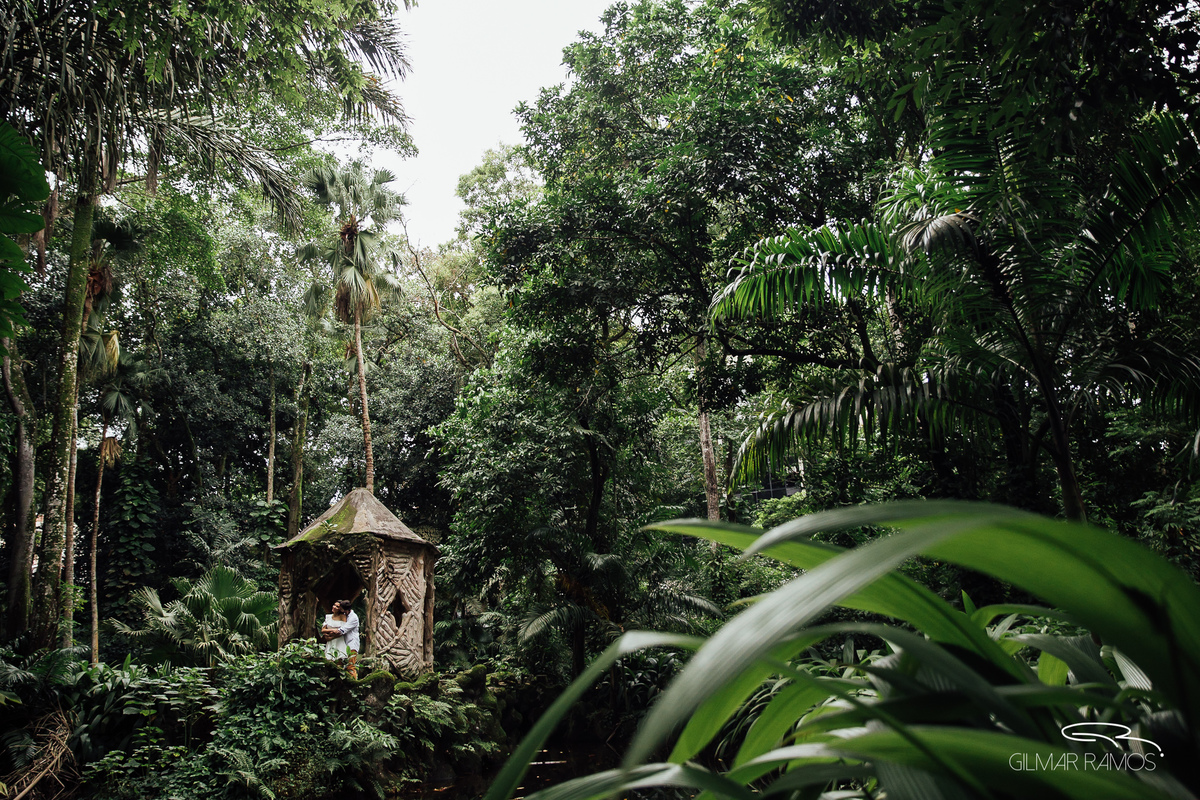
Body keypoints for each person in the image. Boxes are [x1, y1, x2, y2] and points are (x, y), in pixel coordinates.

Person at [321, 599, 359, 679]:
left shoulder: (353, 618)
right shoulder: (345, 615)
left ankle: (354, 682)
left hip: (352, 643)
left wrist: (330, 637)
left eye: (339, 607)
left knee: (350, 666)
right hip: (345, 642)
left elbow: (341, 631)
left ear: (343, 609)